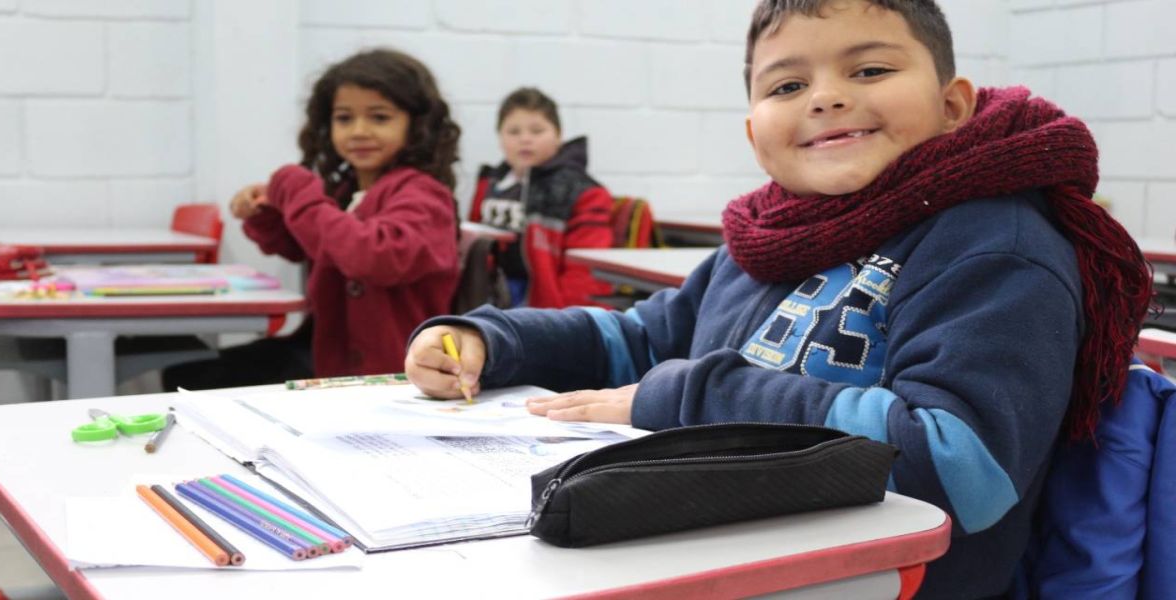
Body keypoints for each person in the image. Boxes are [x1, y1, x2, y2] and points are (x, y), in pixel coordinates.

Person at [404, 1, 1153, 598]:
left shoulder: (995, 245)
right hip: (716, 552)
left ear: (954, 104)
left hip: (876, 585)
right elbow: (639, 341)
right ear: (755, 132)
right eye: (788, 86)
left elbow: (962, 467)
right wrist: (491, 339)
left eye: (869, 69)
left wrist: (697, 397)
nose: (826, 98)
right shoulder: (765, 239)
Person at [163, 48, 461, 390]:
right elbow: (305, 245)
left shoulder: (424, 194)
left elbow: (370, 255)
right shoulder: (348, 191)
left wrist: (294, 188)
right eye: (344, 118)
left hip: (392, 375)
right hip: (334, 361)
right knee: (188, 378)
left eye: (379, 117)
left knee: (202, 382)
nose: (359, 131)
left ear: (417, 125)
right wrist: (269, 213)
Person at [468, 87, 613, 308]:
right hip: (489, 296)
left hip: (545, 306)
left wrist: (566, 323)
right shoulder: (489, 184)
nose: (525, 139)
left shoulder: (585, 193)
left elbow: (587, 271)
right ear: (500, 138)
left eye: (537, 131)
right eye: (513, 132)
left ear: (558, 136)